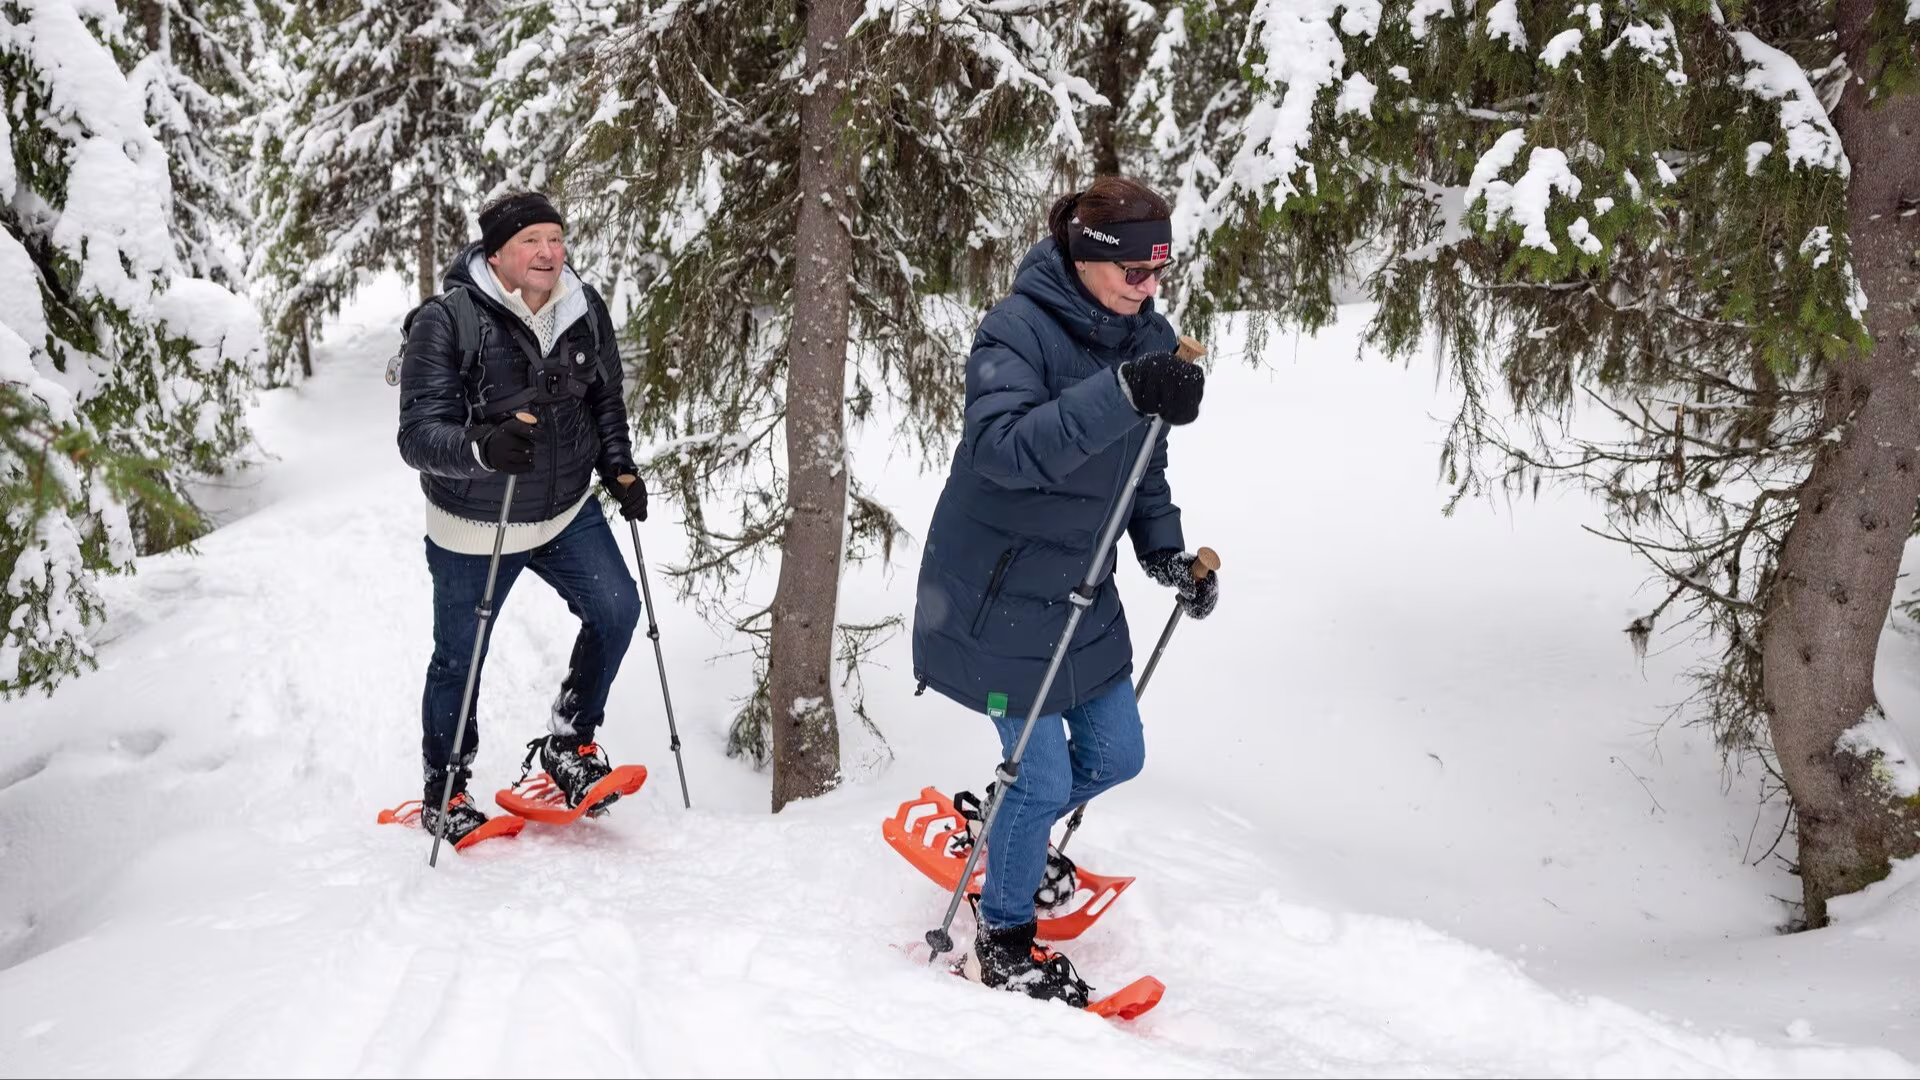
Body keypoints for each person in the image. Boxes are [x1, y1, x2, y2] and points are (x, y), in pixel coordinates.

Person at [910, 176, 1218, 1004]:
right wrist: (1122, 393)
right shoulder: (1016, 329)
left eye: (1161, 269)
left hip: (1082, 592)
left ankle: (1008, 826)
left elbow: (1142, 468)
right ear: (1087, 257)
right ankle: (1002, 941)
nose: (1150, 287)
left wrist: (1166, 557)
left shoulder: (1147, 334)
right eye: (1134, 270)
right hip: (997, 594)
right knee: (1041, 778)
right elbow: (1003, 449)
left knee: (1120, 754)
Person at [396, 191, 650, 844]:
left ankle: (568, 743)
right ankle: (444, 790)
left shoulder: (583, 307)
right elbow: (418, 435)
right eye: (532, 240)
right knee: (461, 658)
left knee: (618, 609)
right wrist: (482, 447)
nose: (548, 252)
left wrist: (618, 465)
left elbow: (605, 396)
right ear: (498, 252)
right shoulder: (447, 320)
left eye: (556, 238)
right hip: (477, 525)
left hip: (566, 511)